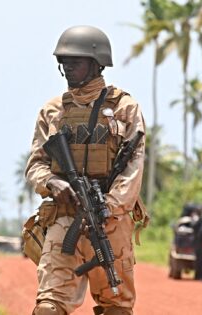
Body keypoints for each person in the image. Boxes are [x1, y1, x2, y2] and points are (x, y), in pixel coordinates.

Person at [25, 25, 146, 315]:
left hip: (110, 222)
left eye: (75, 62)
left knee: (116, 307)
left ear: (96, 63)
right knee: (48, 308)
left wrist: (109, 206)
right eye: (64, 63)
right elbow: (36, 164)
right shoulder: (52, 110)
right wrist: (53, 183)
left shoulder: (124, 108)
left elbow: (133, 166)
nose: (68, 68)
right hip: (64, 218)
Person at [191, 207, 202, 280]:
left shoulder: (199, 220)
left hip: (200, 243)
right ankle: (199, 276)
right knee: (200, 260)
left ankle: (199, 276)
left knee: (200, 260)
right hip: (200, 243)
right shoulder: (201, 221)